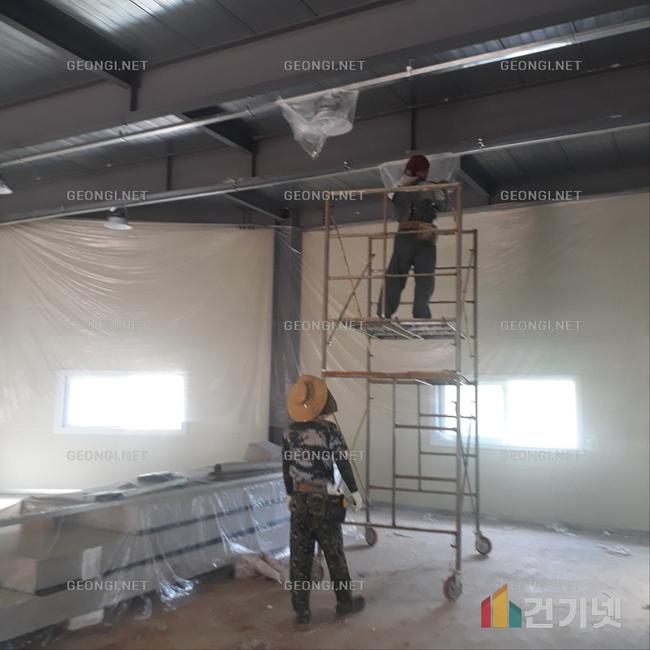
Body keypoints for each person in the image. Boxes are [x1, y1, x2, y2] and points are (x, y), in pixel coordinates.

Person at [283, 374, 365, 626]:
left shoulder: (289, 431)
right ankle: (344, 604)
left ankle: (302, 613)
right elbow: (343, 461)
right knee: (334, 553)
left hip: (299, 500)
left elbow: (285, 466)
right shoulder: (329, 430)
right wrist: (354, 491)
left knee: (299, 557)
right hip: (323, 500)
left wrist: (290, 493)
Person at [377, 154, 450, 319]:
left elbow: (395, 210)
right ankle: (421, 314)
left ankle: (384, 312)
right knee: (425, 277)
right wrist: (443, 189)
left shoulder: (398, 189)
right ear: (424, 171)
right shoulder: (428, 188)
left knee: (395, 275)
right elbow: (445, 206)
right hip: (424, 235)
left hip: (403, 234)